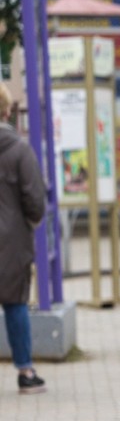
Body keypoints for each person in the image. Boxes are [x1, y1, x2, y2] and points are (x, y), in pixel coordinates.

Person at [0, 82, 47, 394]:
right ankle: (25, 371)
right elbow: (34, 201)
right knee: (15, 303)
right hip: (11, 240)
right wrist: (29, 221)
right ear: (7, 110)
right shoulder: (18, 149)